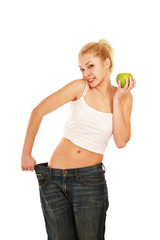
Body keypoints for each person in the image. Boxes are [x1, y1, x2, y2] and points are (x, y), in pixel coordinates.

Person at [21, 39, 136, 240]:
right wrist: (26, 152)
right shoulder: (79, 88)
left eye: (91, 66)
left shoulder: (124, 97)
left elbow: (121, 141)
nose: (86, 74)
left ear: (106, 63)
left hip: (89, 180)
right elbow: (38, 111)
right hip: (53, 179)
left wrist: (117, 99)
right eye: (82, 69)